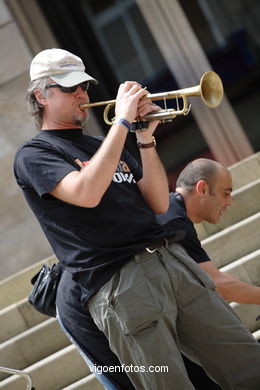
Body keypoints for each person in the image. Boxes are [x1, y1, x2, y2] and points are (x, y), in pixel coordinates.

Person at [14, 48, 260, 390]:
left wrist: (145, 137)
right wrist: (122, 124)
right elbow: (86, 192)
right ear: (42, 94)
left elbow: (159, 202)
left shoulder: (100, 145)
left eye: (84, 86)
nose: (82, 94)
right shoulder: (35, 153)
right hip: (120, 284)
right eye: (71, 88)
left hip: (171, 262)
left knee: (248, 362)